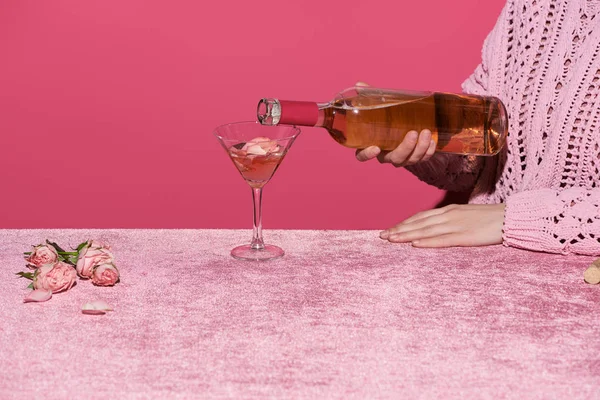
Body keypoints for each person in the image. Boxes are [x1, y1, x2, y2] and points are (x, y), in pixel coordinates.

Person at [356, 0, 600, 256]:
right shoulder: (532, 6)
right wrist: (423, 143)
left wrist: (511, 218)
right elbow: (485, 160)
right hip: (491, 267)